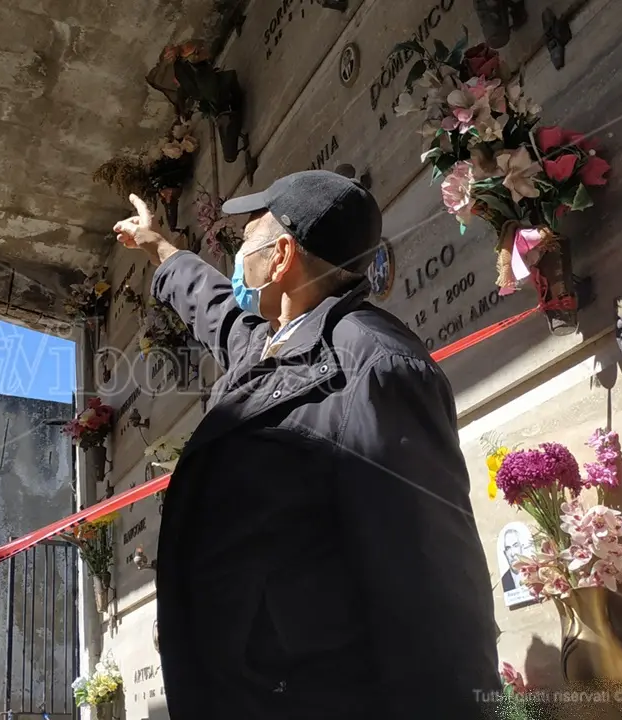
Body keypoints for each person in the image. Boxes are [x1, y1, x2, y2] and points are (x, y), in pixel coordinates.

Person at [113, 171, 500, 718]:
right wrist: (160, 249)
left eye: (248, 236)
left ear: (282, 255)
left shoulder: (374, 365)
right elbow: (217, 312)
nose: (238, 251)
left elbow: (432, 584)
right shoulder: (276, 345)